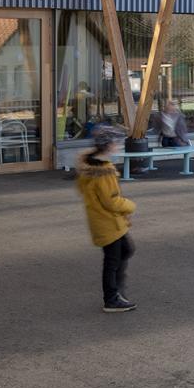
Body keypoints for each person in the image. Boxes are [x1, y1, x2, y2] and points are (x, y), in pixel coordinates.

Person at [76, 126, 138, 312]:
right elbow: (111, 201)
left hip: (103, 219)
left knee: (125, 249)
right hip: (108, 221)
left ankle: (117, 290)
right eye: (117, 143)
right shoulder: (104, 172)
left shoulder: (89, 165)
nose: (119, 146)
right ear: (109, 145)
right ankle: (112, 298)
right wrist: (130, 206)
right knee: (112, 260)